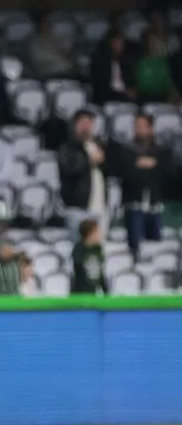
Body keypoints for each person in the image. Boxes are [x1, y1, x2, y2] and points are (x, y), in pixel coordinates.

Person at [117, 113, 170, 257]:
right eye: (137, 126)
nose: (139, 129)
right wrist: (146, 167)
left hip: (155, 205)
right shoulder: (126, 150)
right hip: (133, 204)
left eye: (143, 126)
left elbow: (168, 173)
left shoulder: (161, 151)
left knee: (155, 248)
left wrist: (153, 164)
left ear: (151, 128)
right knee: (135, 248)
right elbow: (126, 173)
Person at [59, 109, 108, 238]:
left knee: (98, 250)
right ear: (75, 125)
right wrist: (89, 161)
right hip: (78, 209)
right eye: (82, 123)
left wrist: (104, 161)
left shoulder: (99, 146)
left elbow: (112, 171)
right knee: (78, 248)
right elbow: (68, 169)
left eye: (89, 123)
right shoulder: (67, 148)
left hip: (99, 208)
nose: (86, 127)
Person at [90, 31, 136, 105]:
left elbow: (131, 81)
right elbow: (101, 87)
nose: (121, 46)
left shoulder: (126, 62)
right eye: (118, 43)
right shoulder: (100, 63)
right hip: (108, 98)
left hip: (125, 98)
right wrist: (122, 93)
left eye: (122, 43)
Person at [28, 12, 78, 79]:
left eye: (49, 23)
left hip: (67, 72)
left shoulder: (56, 38)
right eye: (45, 23)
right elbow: (40, 59)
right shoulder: (35, 42)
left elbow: (68, 50)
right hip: (49, 74)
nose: (48, 25)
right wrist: (58, 54)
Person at [71, 219, 108, 294]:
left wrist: (105, 291)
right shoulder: (79, 249)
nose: (100, 235)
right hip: (80, 292)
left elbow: (100, 272)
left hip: (93, 291)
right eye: (97, 232)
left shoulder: (98, 249)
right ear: (89, 234)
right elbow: (78, 270)